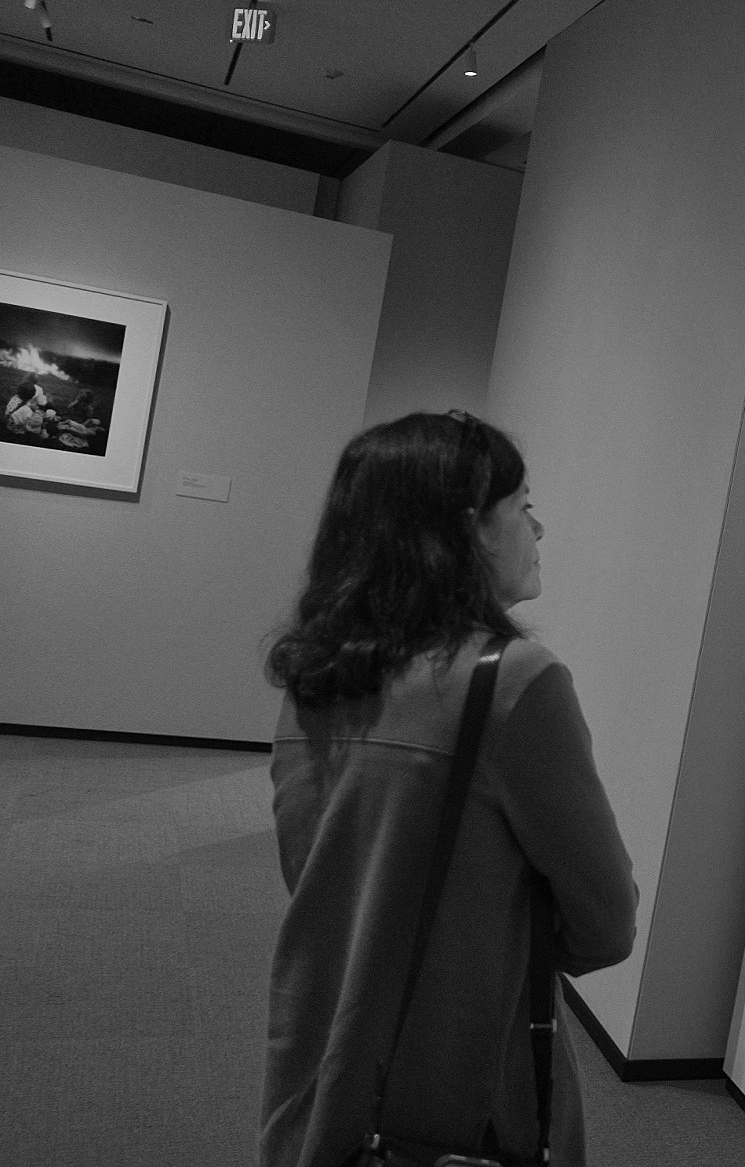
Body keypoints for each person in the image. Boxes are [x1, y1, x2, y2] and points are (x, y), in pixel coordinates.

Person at [260, 411, 637, 1167]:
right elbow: (604, 922)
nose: (539, 526)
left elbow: (315, 868)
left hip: (321, 1037)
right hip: (462, 1070)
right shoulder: (514, 682)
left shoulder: (318, 671)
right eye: (523, 504)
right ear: (472, 529)